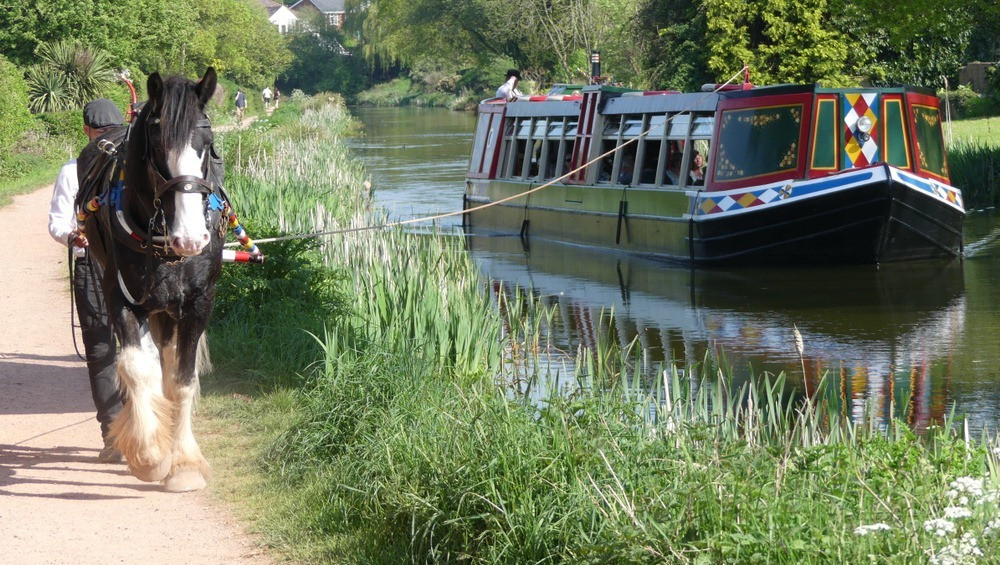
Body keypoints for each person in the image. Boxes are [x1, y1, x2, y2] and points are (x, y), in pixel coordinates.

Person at [47, 99, 126, 463]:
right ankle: (114, 435)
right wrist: (74, 237)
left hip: (128, 265)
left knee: (129, 350)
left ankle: (135, 428)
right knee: (101, 350)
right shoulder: (71, 171)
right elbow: (59, 223)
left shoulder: (133, 167)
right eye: (102, 134)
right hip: (92, 265)